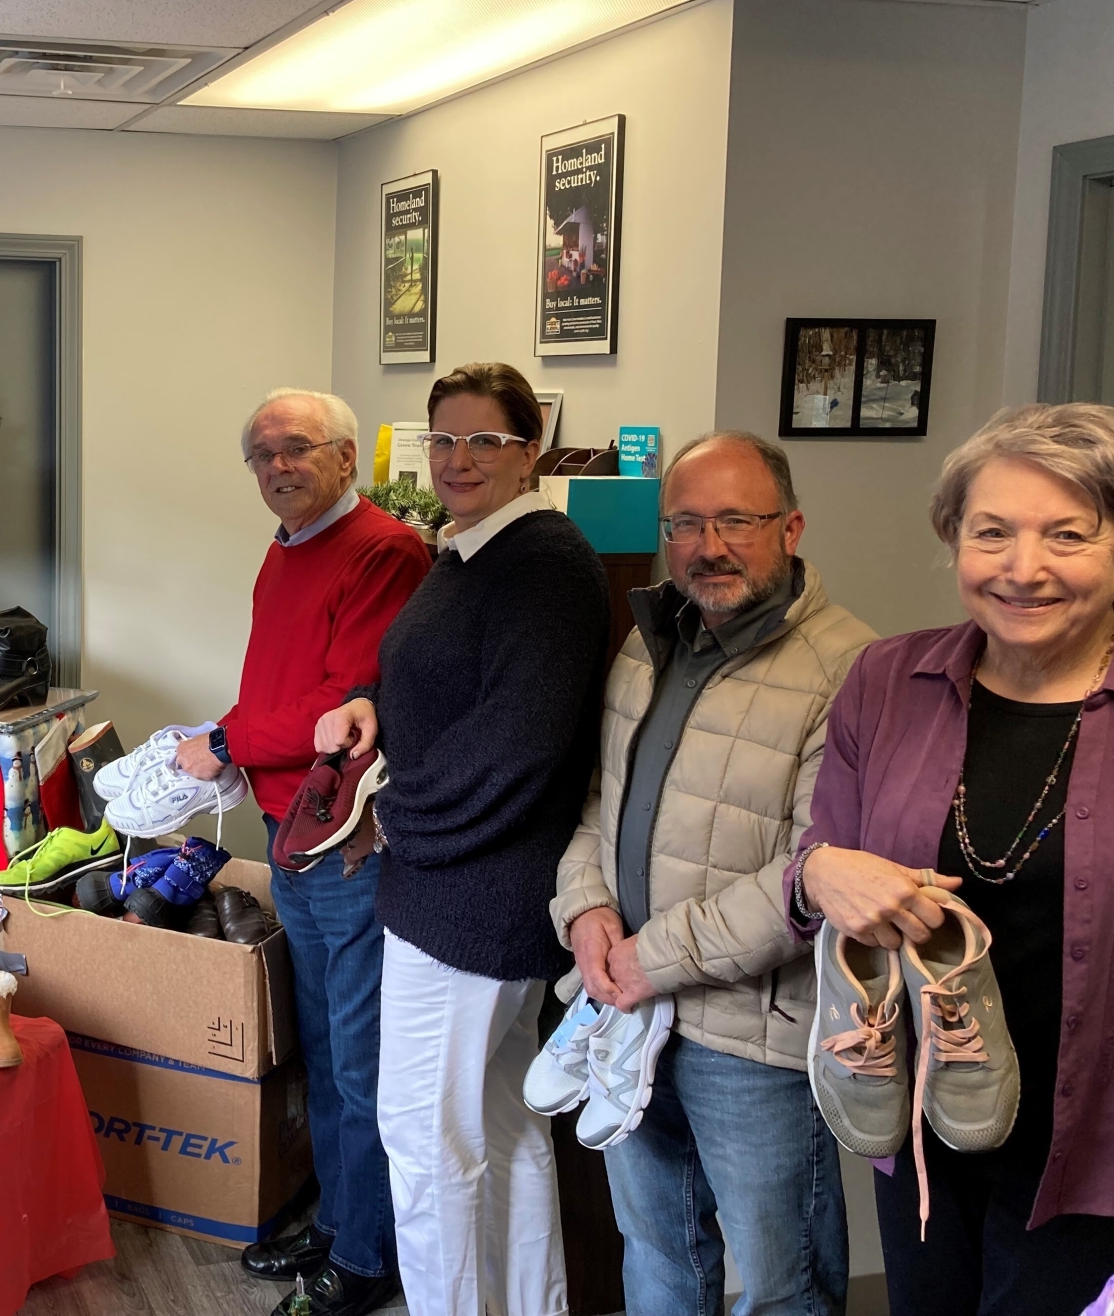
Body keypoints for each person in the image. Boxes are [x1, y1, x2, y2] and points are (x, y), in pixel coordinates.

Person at [795, 403, 1114, 1316]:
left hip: (1092, 1141)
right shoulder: (887, 681)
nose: (1024, 567)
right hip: (927, 1121)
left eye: (1068, 534)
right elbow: (817, 857)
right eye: (992, 532)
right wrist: (819, 873)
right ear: (954, 540)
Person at [551, 431, 874, 1316]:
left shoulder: (852, 670)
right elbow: (599, 805)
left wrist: (649, 958)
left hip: (754, 1041)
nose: (710, 546)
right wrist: (584, 911)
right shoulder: (647, 643)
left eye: (738, 520)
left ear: (792, 528)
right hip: (628, 1016)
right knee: (659, 1259)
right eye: (686, 524)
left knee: (781, 1284)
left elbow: (814, 875)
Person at [317, 362, 608, 1316]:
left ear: (530, 451)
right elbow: (440, 680)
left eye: (486, 439)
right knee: (501, 1126)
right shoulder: (469, 550)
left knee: (422, 1135)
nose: (458, 458)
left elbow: (517, 743)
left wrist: (384, 816)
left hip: (471, 900)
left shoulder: (543, 563)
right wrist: (370, 703)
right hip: (459, 888)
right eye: (443, 438)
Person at [199, 389, 433, 1316]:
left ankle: (367, 1259)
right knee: (324, 1050)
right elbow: (274, 686)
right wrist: (225, 740)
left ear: (344, 455)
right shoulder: (288, 545)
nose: (277, 466)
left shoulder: (384, 551)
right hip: (288, 832)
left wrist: (226, 741)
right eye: (261, 454)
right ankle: (338, 1223)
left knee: (359, 1060)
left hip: (344, 841)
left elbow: (341, 706)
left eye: (296, 447)